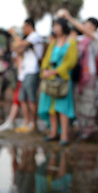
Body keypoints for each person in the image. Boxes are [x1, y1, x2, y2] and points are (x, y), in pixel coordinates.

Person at [58, 9, 98, 140]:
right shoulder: (81, 39)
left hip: (90, 74)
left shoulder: (95, 38)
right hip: (79, 75)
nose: (85, 27)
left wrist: (70, 18)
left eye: (88, 25)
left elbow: (82, 31)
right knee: (79, 101)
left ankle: (88, 130)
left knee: (88, 102)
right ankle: (82, 128)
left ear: (93, 27)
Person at [38, 17, 78, 146]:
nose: (55, 28)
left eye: (57, 26)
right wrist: (44, 70)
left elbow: (71, 62)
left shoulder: (71, 42)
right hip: (50, 80)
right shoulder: (53, 43)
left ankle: (64, 135)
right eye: (54, 26)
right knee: (51, 108)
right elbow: (46, 59)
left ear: (63, 27)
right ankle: (53, 132)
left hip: (62, 80)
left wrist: (55, 71)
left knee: (62, 108)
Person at [10, 18, 44, 133]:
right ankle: (27, 121)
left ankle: (33, 123)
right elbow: (18, 49)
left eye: (24, 27)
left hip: (32, 71)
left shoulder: (35, 37)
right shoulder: (29, 38)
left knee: (31, 98)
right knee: (22, 98)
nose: (23, 29)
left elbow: (20, 44)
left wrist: (13, 33)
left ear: (30, 26)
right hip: (24, 72)